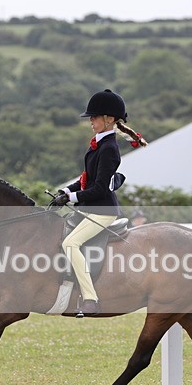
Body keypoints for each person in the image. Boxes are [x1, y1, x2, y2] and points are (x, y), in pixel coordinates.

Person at [53, 89, 148, 317]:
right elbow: (87, 179)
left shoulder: (109, 149)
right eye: (91, 118)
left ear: (109, 119)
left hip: (102, 211)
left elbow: (99, 188)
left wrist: (72, 198)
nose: (91, 122)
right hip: (89, 209)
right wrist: (66, 190)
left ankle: (90, 299)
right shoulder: (97, 145)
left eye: (94, 117)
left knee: (70, 243)